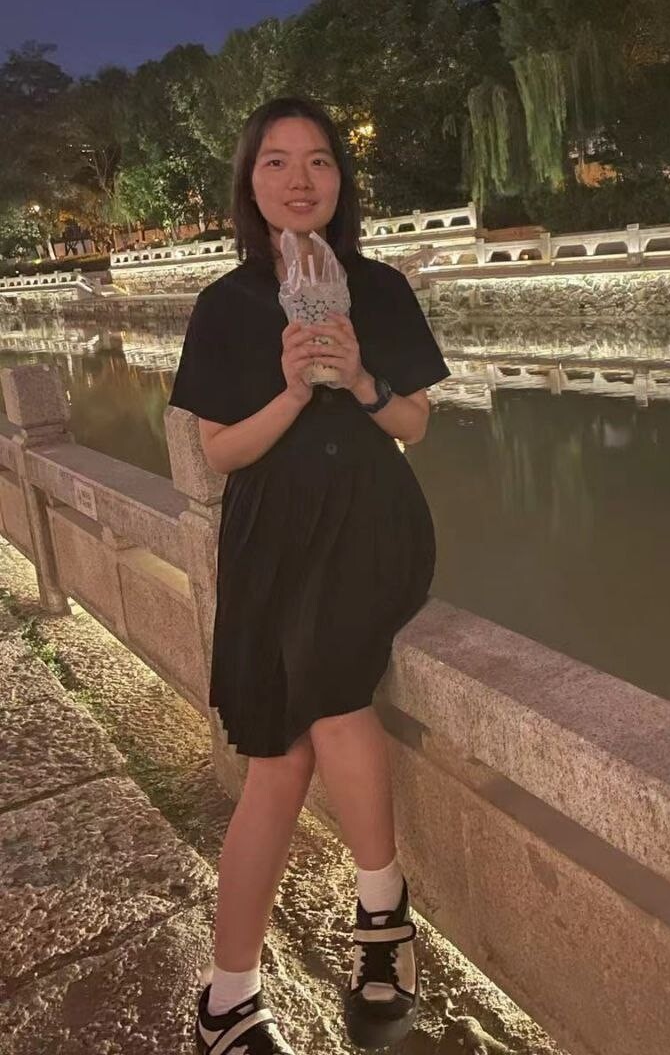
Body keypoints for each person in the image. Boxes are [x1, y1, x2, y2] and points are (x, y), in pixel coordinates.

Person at [168, 97, 450, 1054]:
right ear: (250, 183)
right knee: (276, 760)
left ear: (341, 178)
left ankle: (381, 926)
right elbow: (221, 452)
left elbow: (414, 424)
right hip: (271, 542)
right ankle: (230, 998)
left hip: (372, 525)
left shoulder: (380, 287)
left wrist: (361, 378)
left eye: (319, 160)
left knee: (328, 695)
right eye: (277, 162)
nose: (300, 179)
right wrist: (293, 390)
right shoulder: (226, 305)